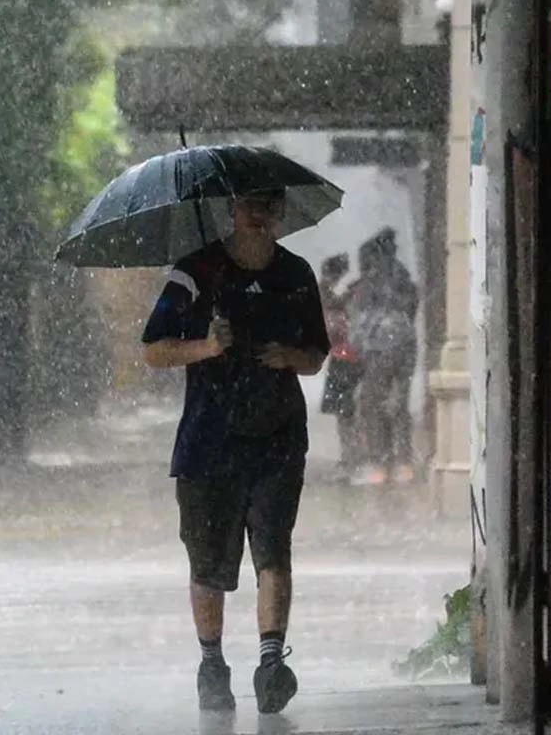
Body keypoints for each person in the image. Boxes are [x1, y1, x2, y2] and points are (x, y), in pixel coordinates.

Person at [140, 189, 330, 716]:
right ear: (231, 208)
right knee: (208, 562)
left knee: (274, 548)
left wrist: (290, 356)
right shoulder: (194, 273)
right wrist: (206, 346)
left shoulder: (296, 275)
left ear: (282, 211)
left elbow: (317, 354)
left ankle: (272, 664)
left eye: (270, 204)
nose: (260, 214)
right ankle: (212, 663)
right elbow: (154, 349)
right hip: (208, 441)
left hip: (278, 437)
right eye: (250, 203)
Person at [347, 228, 419, 485]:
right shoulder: (404, 278)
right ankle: (404, 462)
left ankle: (381, 461)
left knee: (372, 404)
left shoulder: (372, 281)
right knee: (399, 404)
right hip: (405, 346)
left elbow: (362, 319)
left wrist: (357, 345)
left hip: (380, 348)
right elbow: (411, 309)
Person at [318, 253, 363, 476]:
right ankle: (350, 457)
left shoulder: (336, 296)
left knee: (347, 412)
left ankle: (351, 458)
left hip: (346, 358)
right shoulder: (336, 296)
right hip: (346, 357)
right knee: (347, 412)